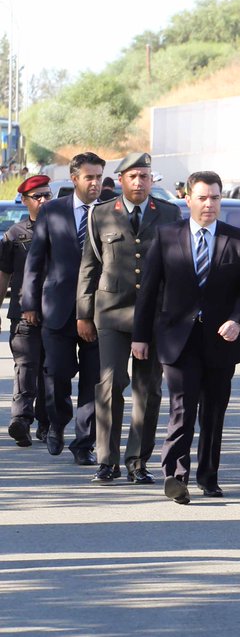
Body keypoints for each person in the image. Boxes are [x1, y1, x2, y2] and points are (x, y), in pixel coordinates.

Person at [132, 171, 240, 504]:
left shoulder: (237, 239)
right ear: (188, 199)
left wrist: (237, 321)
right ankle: (176, 477)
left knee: (213, 413)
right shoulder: (167, 236)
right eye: (202, 197)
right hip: (178, 339)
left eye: (215, 198)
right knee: (182, 407)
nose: (209, 204)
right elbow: (149, 291)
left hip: (221, 340)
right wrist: (140, 336)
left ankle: (208, 476)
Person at [77, 152, 182, 484]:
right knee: (109, 385)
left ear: (152, 180)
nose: (139, 182)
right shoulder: (101, 213)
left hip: (154, 314)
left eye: (144, 176)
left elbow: (176, 266)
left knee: (148, 389)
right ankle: (107, 460)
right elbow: (89, 266)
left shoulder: (169, 213)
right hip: (111, 311)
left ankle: (137, 460)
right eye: (133, 176)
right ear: (121, 179)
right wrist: (83, 313)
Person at [21, 152, 104, 464]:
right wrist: (30, 303)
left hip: (99, 312)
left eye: (99, 177)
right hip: (57, 309)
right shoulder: (52, 211)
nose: (95, 183)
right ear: (74, 179)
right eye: (89, 177)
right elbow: (35, 260)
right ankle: (56, 422)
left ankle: (84, 443)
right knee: (56, 374)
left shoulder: (111, 211)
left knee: (94, 381)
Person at [1, 175, 53, 446]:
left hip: (57, 313)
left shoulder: (64, 230)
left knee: (51, 370)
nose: (43, 200)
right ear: (24, 200)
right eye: (37, 196)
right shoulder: (14, 234)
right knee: (25, 365)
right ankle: (21, 421)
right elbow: (3, 274)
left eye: (47, 195)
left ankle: (47, 423)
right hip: (22, 313)